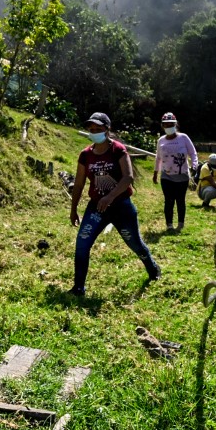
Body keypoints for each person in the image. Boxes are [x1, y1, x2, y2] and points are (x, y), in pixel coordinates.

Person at [68, 112, 161, 297]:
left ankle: (152, 268)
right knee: (82, 244)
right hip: (96, 208)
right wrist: (73, 210)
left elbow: (128, 177)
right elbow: (79, 184)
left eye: (98, 129)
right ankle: (78, 287)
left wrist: (109, 197)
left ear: (107, 130)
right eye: (91, 129)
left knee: (134, 243)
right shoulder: (85, 155)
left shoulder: (118, 150)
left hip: (121, 207)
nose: (94, 132)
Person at [152, 111, 198, 231]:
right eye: (166, 125)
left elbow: (192, 153)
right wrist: (155, 173)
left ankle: (180, 224)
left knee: (180, 200)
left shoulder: (183, 138)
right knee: (169, 200)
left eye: (171, 124)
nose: (168, 127)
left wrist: (194, 165)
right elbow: (158, 158)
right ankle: (169, 225)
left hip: (182, 175)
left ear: (175, 124)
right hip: (166, 176)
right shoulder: (161, 140)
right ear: (163, 126)